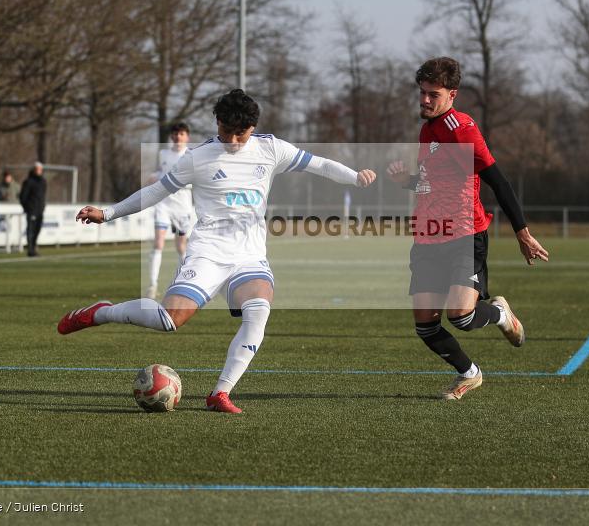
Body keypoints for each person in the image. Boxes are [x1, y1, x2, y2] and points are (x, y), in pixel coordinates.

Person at [59, 89, 377, 413]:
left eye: (241, 133)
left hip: (249, 255)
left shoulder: (271, 148)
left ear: (253, 128)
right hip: (208, 252)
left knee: (258, 312)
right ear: (217, 122)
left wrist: (354, 177)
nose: (234, 141)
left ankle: (220, 393)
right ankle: (102, 312)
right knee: (169, 320)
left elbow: (318, 164)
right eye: (227, 131)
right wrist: (108, 213)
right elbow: (155, 191)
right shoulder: (197, 157)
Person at [386, 57, 549, 401]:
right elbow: (435, 182)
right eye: (422, 92)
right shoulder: (427, 129)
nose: (424, 100)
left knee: (460, 316)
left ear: (452, 94)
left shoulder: (462, 130)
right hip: (429, 235)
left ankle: (501, 314)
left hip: (463, 235)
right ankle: (469, 373)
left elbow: (498, 181)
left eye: (433, 94)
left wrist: (522, 232)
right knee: (426, 325)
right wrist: (407, 182)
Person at [146, 122, 194, 299]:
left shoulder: (191, 155)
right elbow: (162, 172)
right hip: (163, 205)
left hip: (182, 208)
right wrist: (155, 177)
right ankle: (152, 286)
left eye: (181, 134)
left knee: (181, 246)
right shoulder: (163, 154)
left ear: (187, 137)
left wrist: (179, 182)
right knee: (158, 243)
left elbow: (194, 179)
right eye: (175, 134)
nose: (177, 137)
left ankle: (184, 284)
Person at [19, 162, 47, 257]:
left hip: (40, 210)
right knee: (31, 229)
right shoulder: (28, 182)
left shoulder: (43, 181)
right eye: (37, 169)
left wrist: (42, 206)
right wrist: (27, 207)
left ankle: (34, 246)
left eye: (40, 169)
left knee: (37, 229)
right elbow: (23, 197)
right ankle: (30, 249)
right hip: (31, 210)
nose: (39, 171)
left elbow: (42, 196)